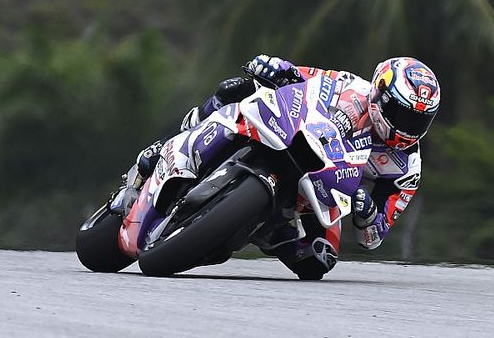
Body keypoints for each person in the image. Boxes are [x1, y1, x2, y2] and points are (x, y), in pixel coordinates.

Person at [135, 54, 441, 280]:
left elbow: (373, 238)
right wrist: (276, 67)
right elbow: (301, 78)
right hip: (294, 137)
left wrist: (367, 213)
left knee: (319, 261)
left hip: (326, 188)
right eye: (401, 114)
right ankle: (167, 144)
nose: (408, 128)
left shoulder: (406, 168)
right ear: (379, 95)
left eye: (418, 120)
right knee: (234, 90)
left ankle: (271, 229)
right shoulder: (349, 86)